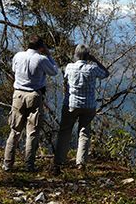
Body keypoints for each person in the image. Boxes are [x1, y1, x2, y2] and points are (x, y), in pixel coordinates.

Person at [3, 34, 59, 172]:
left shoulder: (18, 56)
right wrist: (49, 55)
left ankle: (7, 164)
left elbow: (14, 70)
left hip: (18, 94)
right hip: (34, 95)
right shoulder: (41, 59)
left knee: (15, 130)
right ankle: (29, 165)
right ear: (41, 47)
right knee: (32, 132)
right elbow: (54, 71)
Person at [53, 44, 109, 174]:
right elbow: (106, 73)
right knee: (84, 133)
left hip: (71, 104)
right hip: (88, 106)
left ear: (75, 54)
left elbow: (66, 79)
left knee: (65, 131)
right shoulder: (92, 68)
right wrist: (95, 60)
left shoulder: (69, 67)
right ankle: (81, 163)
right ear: (88, 56)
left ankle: (60, 160)